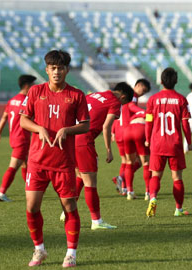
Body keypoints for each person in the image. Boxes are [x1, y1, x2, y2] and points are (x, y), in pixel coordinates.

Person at [19, 50, 90, 267]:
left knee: (69, 206)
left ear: (67, 70)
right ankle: (39, 249)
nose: (56, 71)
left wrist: (68, 130)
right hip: (37, 161)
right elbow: (23, 120)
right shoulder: (35, 92)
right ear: (46, 70)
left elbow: (86, 124)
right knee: (31, 207)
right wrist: (38, 128)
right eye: (52, 68)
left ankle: (71, 253)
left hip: (63, 162)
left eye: (60, 68)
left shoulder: (77, 95)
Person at [59, 82, 134, 229]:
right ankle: (96, 221)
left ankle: (66, 212)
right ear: (123, 96)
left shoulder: (95, 94)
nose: (122, 106)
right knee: (90, 183)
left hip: (71, 138)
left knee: (80, 176)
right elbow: (106, 126)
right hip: (84, 140)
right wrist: (108, 150)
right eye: (124, 103)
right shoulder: (114, 102)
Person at [144, 67, 192, 217]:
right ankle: (178, 209)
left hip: (157, 143)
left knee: (155, 176)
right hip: (175, 144)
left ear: (161, 81)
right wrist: (189, 142)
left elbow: (148, 122)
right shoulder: (181, 99)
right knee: (177, 178)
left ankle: (152, 197)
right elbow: (185, 123)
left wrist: (147, 139)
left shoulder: (153, 99)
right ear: (176, 81)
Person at [0, 74, 37, 202]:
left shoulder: (12, 100)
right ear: (27, 86)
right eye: (33, 86)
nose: (34, 88)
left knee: (25, 164)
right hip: (22, 138)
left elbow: (5, 116)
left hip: (14, 138)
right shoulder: (25, 101)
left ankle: (31, 190)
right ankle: (1, 192)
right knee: (13, 166)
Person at [122, 79, 151, 200]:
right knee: (145, 162)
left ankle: (128, 191)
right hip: (137, 129)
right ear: (138, 85)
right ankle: (148, 193)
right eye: (143, 90)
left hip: (125, 132)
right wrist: (143, 113)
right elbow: (132, 107)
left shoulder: (128, 96)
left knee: (128, 162)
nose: (142, 93)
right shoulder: (132, 96)